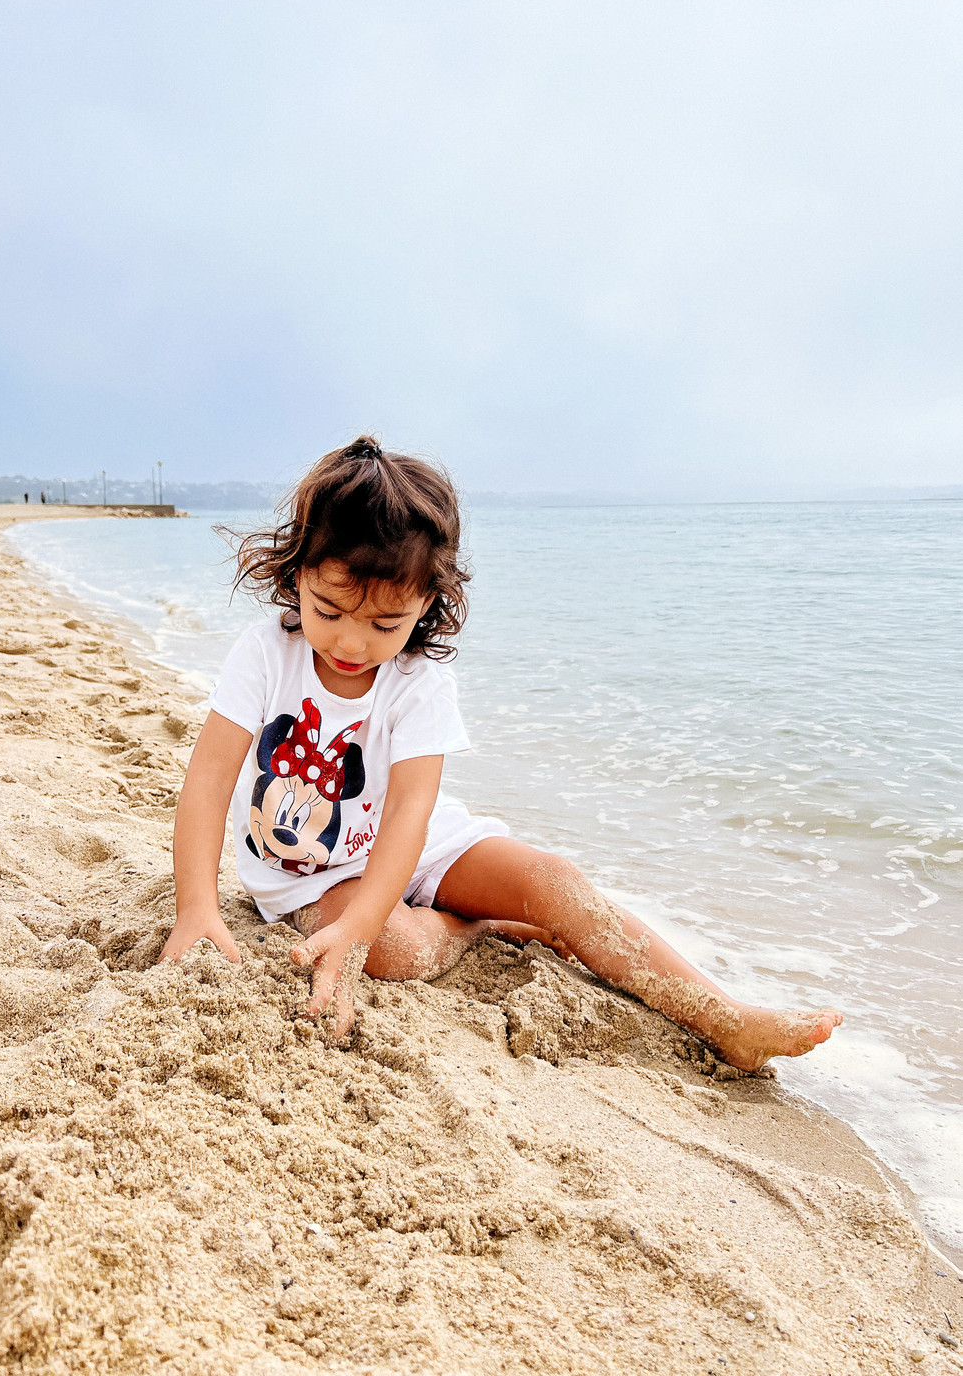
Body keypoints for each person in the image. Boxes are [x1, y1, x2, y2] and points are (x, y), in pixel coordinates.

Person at [160, 437, 842, 1071]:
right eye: (329, 610)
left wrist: (365, 921)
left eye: (384, 624)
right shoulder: (265, 653)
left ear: (427, 600)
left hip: (415, 840)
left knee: (556, 880)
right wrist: (198, 906)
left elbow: (409, 816)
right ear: (299, 572)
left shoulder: (418, 684)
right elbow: (211, 776)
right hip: (312, 870)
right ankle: (476, 927)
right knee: (395, 948)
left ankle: (724, 1018)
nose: (352, 641)